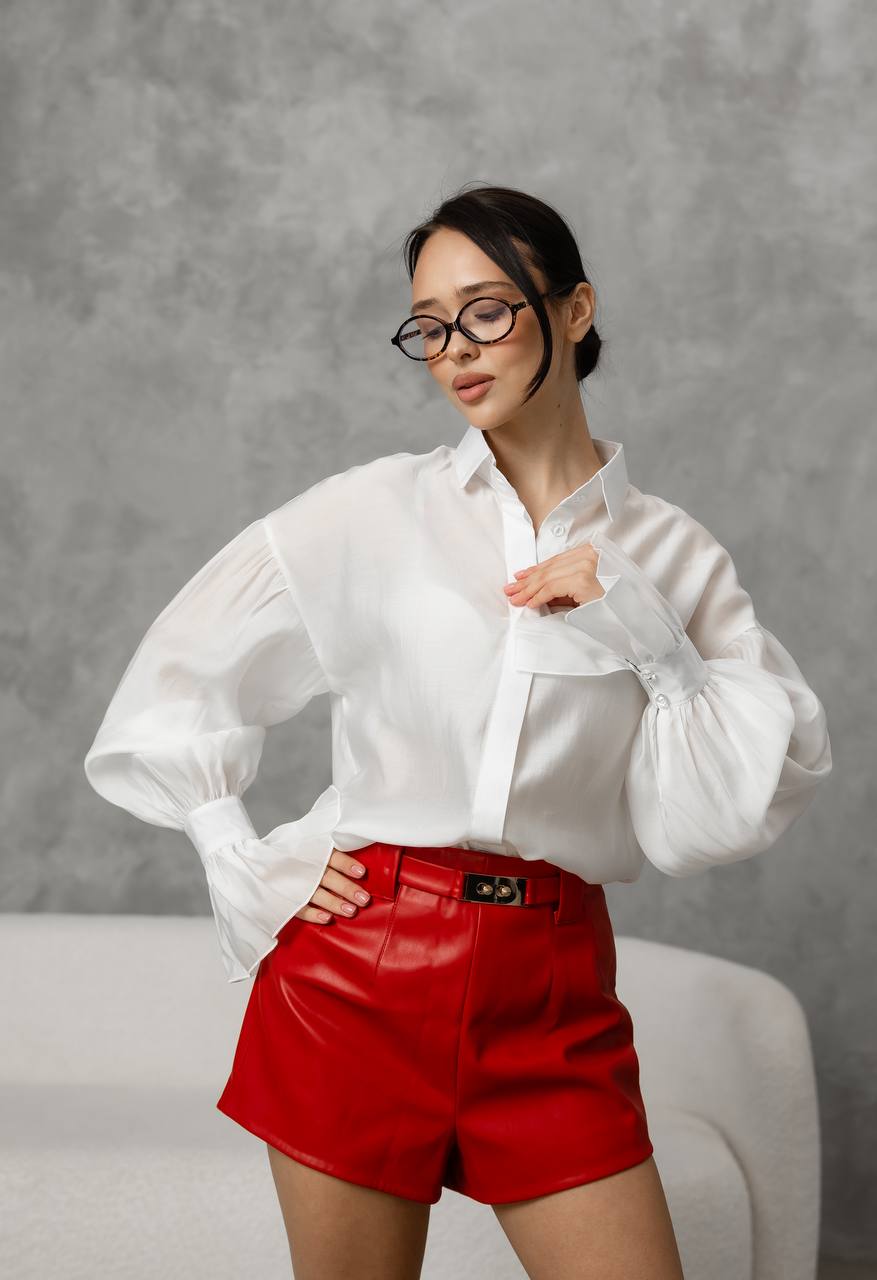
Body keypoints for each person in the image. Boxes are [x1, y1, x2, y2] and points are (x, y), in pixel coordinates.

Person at [84, 182, 832, 1280]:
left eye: (486, 310)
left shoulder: (672, 553)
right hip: (355, 977)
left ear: (574, 311)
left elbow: (735, 796)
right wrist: (228, 845)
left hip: (554, 985)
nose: (453, 350)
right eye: (428, 325)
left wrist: (645, 629)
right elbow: (179, 680)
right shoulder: (372, 512)